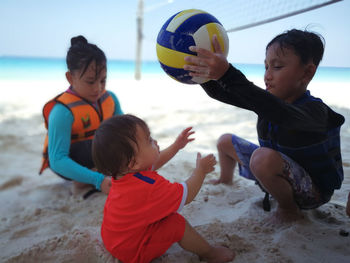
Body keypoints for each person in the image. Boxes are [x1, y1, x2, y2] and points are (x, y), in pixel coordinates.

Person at [183, 29, 345, 222]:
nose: (267, 75)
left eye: (276, 67)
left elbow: (280, 113)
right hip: (272, 172)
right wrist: (204, 76)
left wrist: (228, 74)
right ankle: (225, 179)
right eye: (266, 66)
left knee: (262, 157)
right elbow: (227, 93)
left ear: (307, 72)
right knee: (225, 140)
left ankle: (288, 208)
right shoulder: (268, 101)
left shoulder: (316, 112)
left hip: (311, 191)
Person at [92, 114, 235, 263]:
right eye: (149, 140)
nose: (155, 141)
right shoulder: (148, 188)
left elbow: (154, 162)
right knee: (175, 223)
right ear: (133, 163)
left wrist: (176, 146)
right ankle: (211, 254)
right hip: (133, 252)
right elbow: (186, 195)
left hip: (115, 241)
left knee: (162, 214)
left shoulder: (123, 176)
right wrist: (200, 171)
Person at [39, 35, 123, 195]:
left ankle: (93, 175)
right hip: (72, 158)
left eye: (103, 80)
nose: (98, 88)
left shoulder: (110, 98)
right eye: (90, 82)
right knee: (91, 146)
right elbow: (57, 160)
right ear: (70, 78)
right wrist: (98, 179)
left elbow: (125, 131)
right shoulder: (62, 111)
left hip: (98, 154)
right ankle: (82, 182)